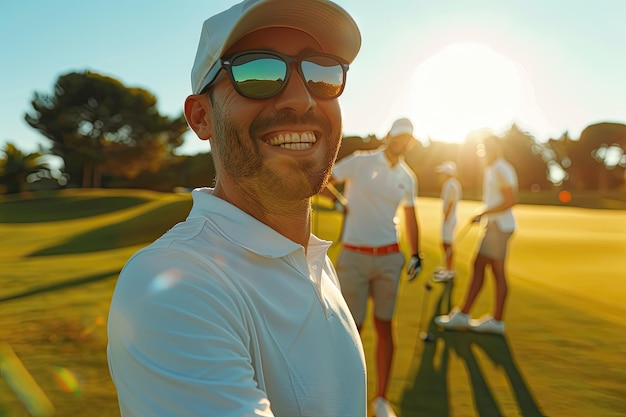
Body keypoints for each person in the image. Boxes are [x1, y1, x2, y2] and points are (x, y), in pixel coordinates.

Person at [106, 1, 366, 416]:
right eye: (256, 72)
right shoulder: (173, 284)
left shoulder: (312, 260)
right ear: (200, 117)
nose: (302, 99)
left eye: (321, 72)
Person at [326, 118, 422, 417]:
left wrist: (416, 253)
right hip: (354, 256)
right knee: (351, 328)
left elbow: (410, 216)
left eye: (408, 139)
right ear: (389, 137)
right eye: (400, 137)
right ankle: (344, 393)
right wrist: (339, 202)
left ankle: (381, 399)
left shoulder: (407, 177)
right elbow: (323, 177)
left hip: (389, 257)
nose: (403, 143)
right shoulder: (360, 162)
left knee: (384, 325)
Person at [435, 135, 518, 334]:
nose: (483, 152)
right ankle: (495, 320)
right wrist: (484, 215)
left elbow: (510, 200)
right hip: (498, 225)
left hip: (498, 227)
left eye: (485, 149)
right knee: (494, 271)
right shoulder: (497, 168)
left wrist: (483, 213)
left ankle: (464, 315)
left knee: (480, 266)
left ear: (494, 149)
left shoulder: (499, 168)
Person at [433, 161, 462, 283]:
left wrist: (445, 217)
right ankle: (447, 268)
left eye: (443, 173)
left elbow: (450, 202)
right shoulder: (452, 183)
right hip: (450, 218)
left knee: (447, 244)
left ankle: (449, 271)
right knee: (445, 244)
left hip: (449, 218)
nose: (441, 175)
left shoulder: (450, 184)